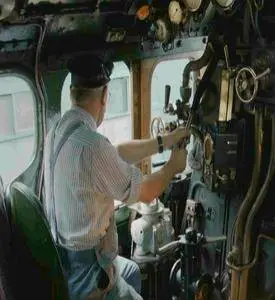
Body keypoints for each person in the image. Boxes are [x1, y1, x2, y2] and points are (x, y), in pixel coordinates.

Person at [43, 54, 189, 300]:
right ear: (104, 96)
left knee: (131, 271)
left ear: (72, 94)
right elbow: (145, 191)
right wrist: (172, 167)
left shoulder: (58, 132)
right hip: (89, 274)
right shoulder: (92, 147)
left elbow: (116, 152)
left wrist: (164, 142)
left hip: (63, 261)